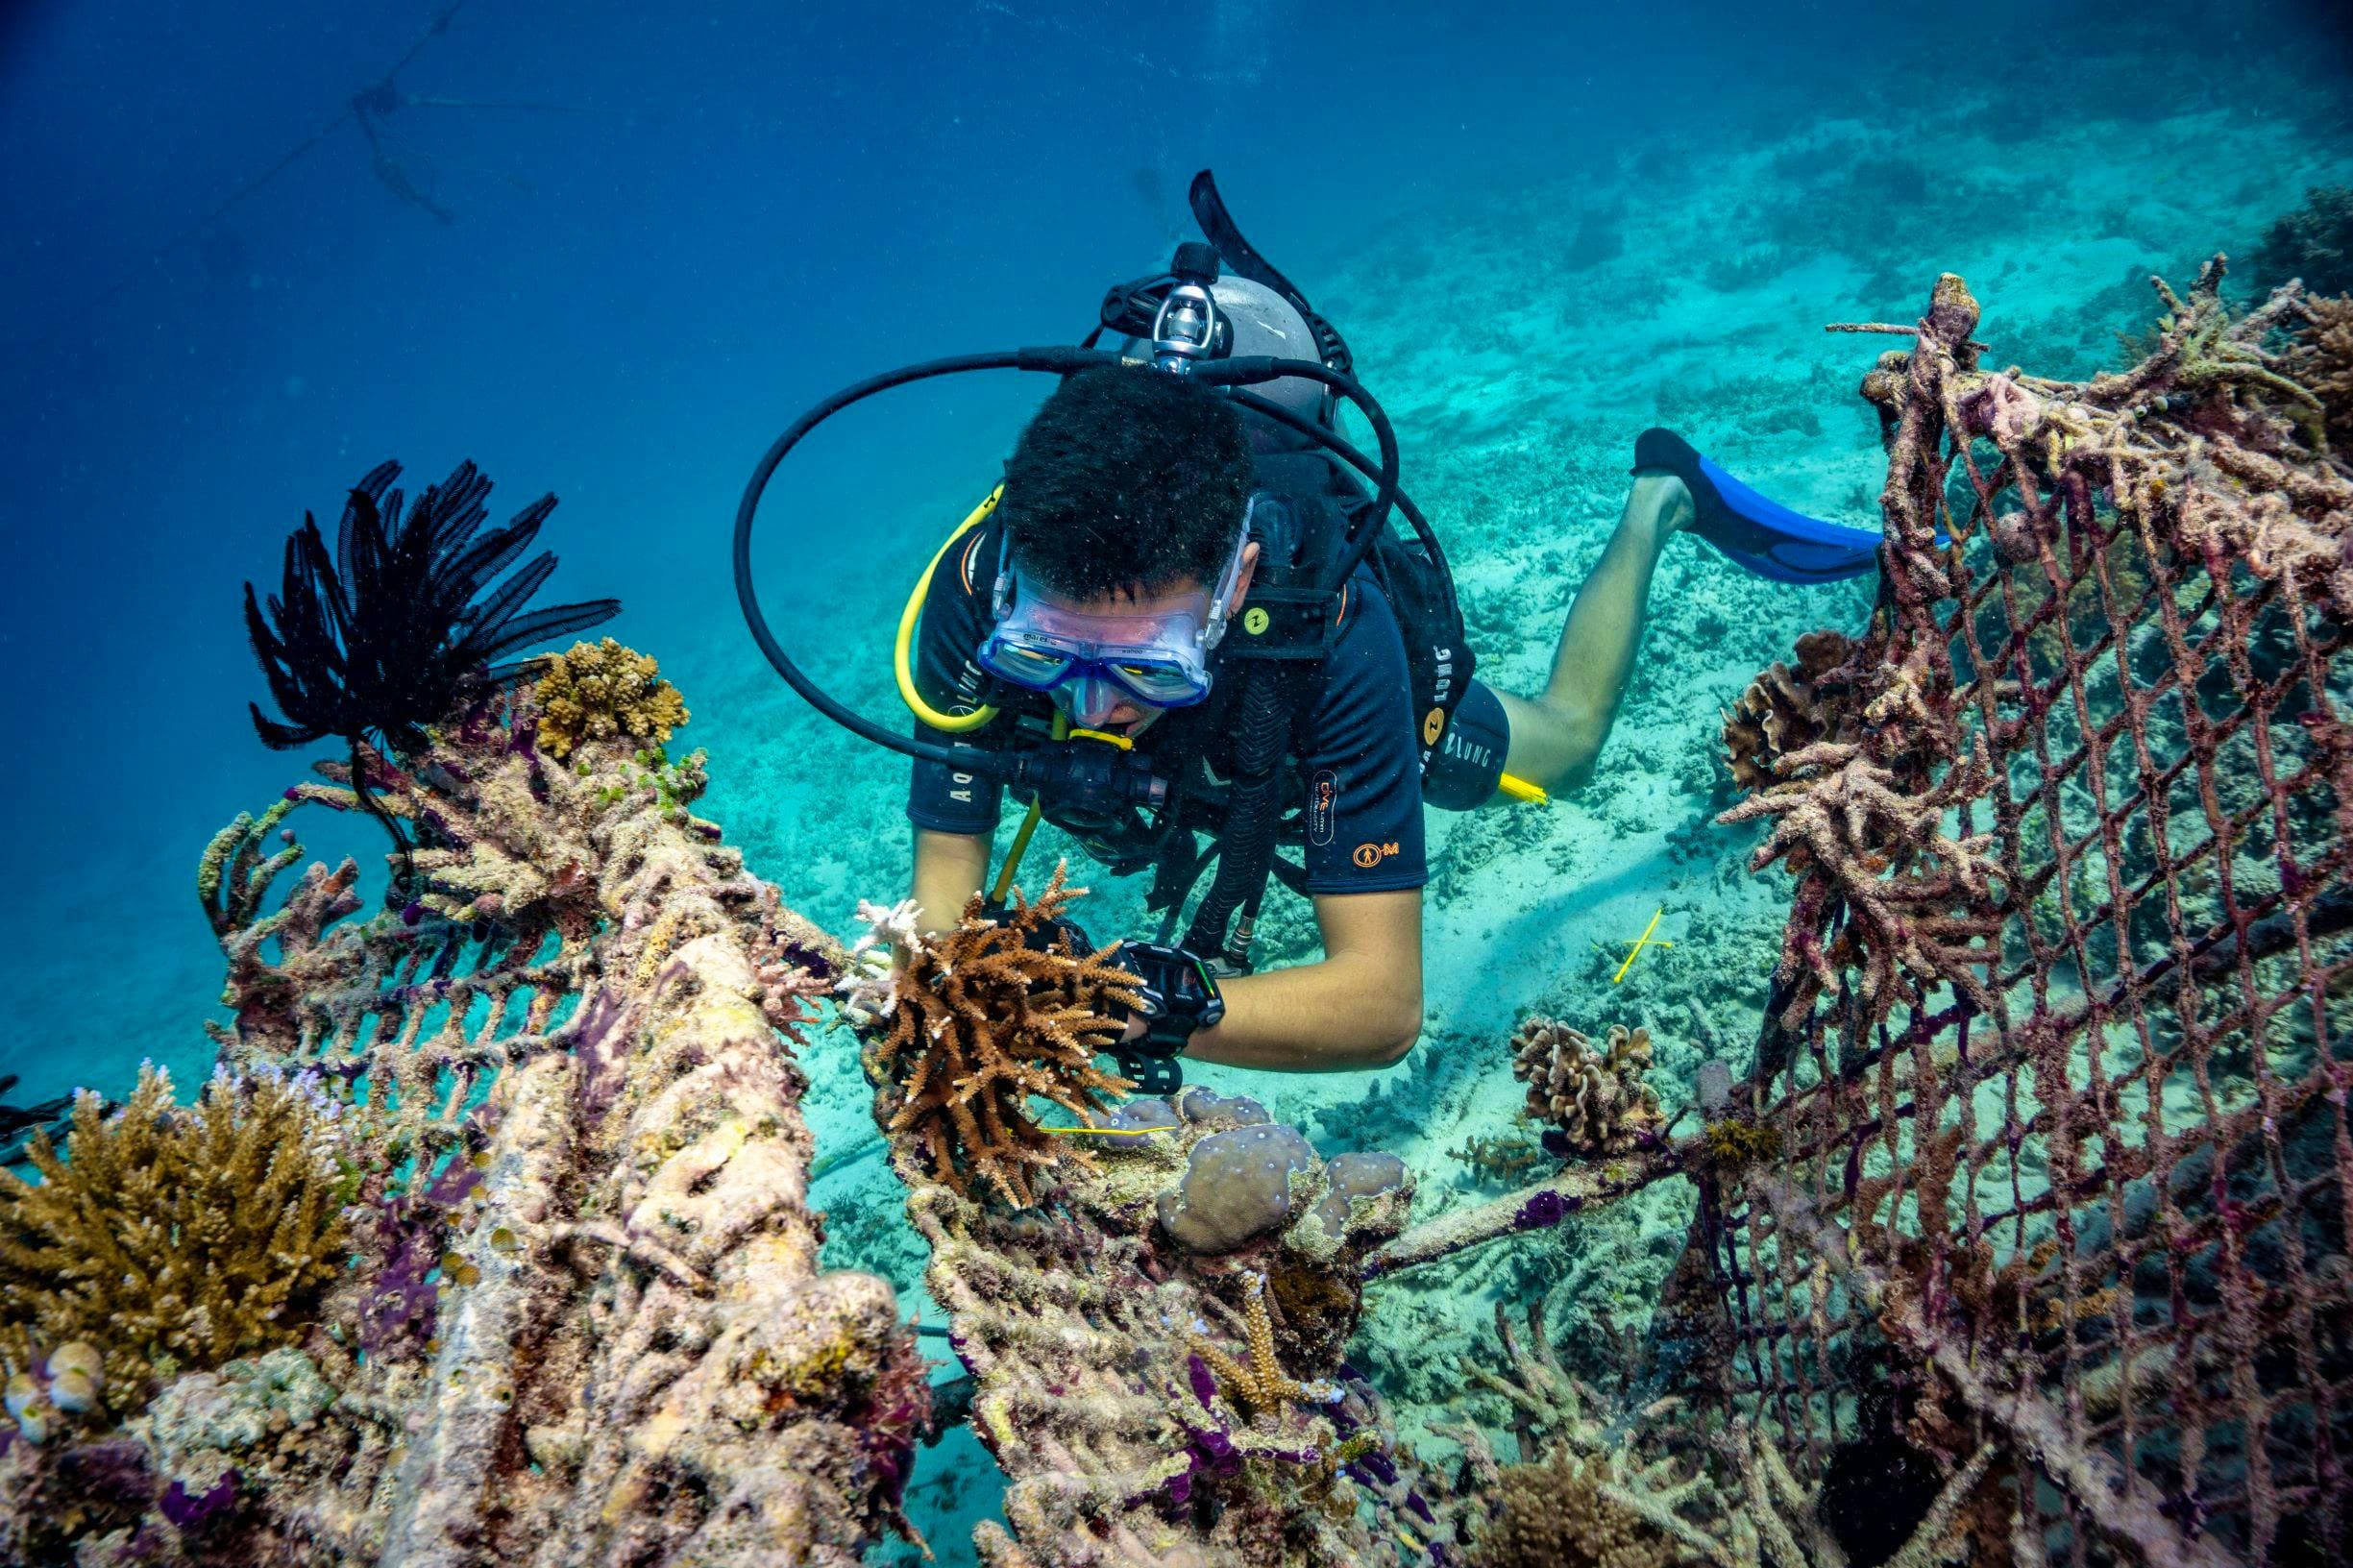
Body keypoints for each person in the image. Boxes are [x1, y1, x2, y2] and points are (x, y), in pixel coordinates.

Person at [902, 277, 1876, 1081]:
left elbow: (1379, 1004)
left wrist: (1135, 1006)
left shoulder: (1328, 630)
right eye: (1043, 658)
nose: (1091, 709)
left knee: (1569, 745)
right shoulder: (974, 590)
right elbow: (940, 916)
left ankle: (1659, 499)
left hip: (1296, 719)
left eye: (1144, 667)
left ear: (1232, 583)